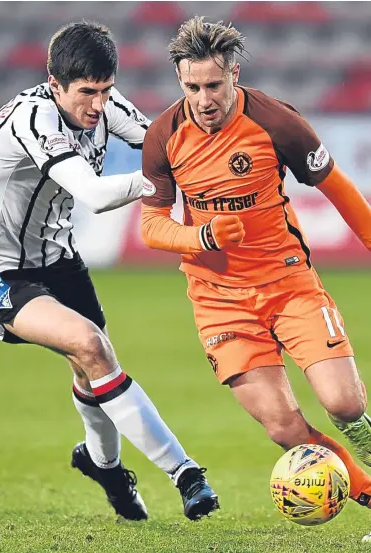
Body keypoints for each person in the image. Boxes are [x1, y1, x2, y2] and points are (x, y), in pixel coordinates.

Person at [0, 20, 219, 522]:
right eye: (86, 93)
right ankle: (186, 474)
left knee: (90, 362)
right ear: (55, 84)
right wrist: (156, 183)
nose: (97, 106)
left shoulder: (103, 104)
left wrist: (223, 157)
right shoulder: (33, 120)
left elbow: (165, 145)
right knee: (91, 345)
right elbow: (95, 195)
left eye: (106, 91)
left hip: (58, 259)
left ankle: (104, 467)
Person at [141, 16, 371, 524]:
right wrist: (200, 236)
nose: (204, 99)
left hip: (289, 284)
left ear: (235, 74)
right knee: (284, 430)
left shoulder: (277, 122)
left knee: (345, 404)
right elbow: (151, 226)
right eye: (192, 87)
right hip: (218, 299)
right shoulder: (163, 136)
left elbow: (341, 190)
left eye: (214, 85)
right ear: (180, 82)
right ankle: (367, 489)